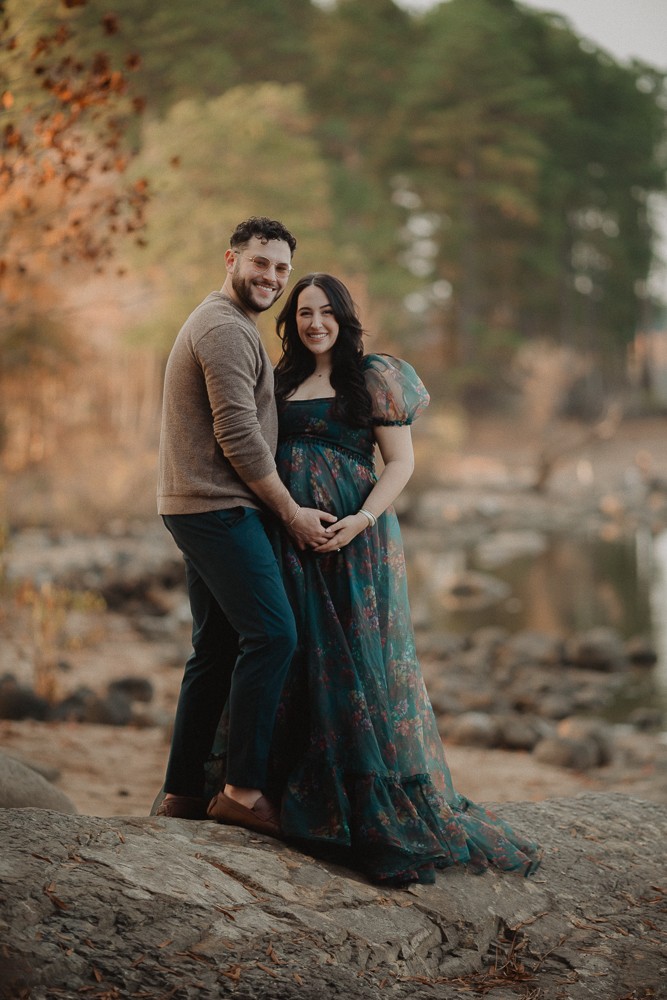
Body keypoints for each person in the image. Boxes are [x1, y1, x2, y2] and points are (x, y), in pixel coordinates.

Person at [205, 272, 542, 885]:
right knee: (292, 652)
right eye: (304, 313)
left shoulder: (375, 377)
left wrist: (360, 521)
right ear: (291, 322)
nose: (315, 324)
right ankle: (274, 791)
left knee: (353, 662)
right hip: (287, 536)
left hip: (355, 543)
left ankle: (357, 800)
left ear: (344, 317)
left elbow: (402, 463)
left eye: (326, 312)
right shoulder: (278, 380)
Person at [155, 218, 337, 836]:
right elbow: (237, 435)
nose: (272, 277)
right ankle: (241, 790)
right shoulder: (224, 328)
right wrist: (290, 513)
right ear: (232, 260)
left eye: (282, 268)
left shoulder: (229, 324)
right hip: (217, 507)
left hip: (199, 504)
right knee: (274, 636)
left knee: (215, 648)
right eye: (261, 263)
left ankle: (182, 793)